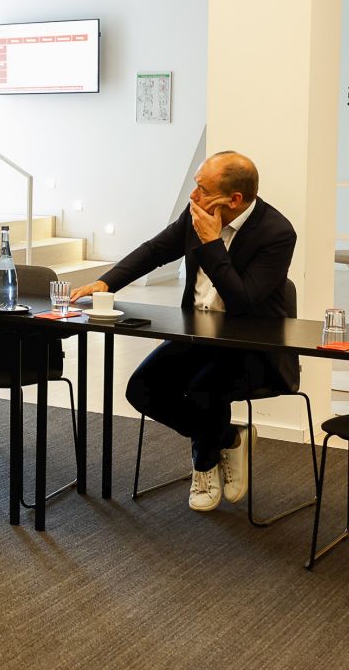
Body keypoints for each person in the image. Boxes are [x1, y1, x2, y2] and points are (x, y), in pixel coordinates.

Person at [70, 151, 297, 513]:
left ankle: (204, 466)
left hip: (252, 348)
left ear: (234, 200)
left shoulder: (277, 233)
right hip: (197, 337)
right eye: (195, 185)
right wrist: (106, 282)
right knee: (141, 389)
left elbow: (242, 301)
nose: (193, 197)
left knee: (205, 388)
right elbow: (155, 250)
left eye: (202, 189)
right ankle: (230, 439)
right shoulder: (196, 215)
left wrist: (211, 243)